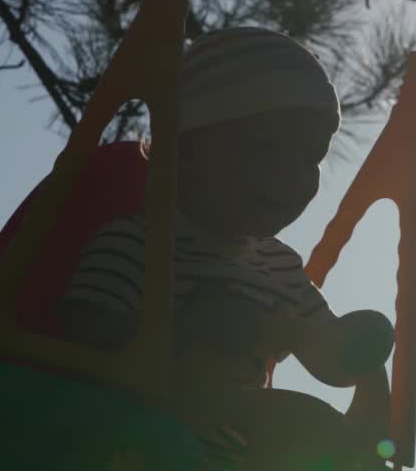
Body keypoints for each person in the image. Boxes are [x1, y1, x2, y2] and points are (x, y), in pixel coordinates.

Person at [55, 26, 394, 403]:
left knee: (313, 430)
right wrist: (187, 331)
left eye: (312, 157)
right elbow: (81, 332)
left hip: (232, 445)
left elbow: (323, 354)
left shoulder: (280, 267)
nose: (295, 173)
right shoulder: (138, 242)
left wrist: (351, 347)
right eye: (268, 147)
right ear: (184, 151)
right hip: (134, 434)